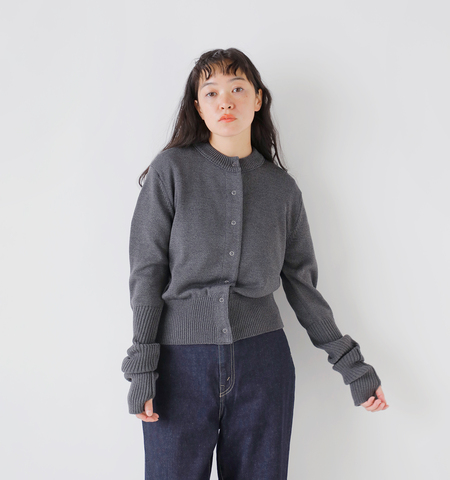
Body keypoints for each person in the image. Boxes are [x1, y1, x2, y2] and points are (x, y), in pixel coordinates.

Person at [121, 47, 389, 480]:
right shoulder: (171, 171)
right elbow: (147, 271)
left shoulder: (282, 190)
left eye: (237, 89)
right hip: (178, 365)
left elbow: (302, 285)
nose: (225, 101)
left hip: (263, 364)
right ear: (198, 107)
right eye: (211, 92)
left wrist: (353, 367)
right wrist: (142, 366)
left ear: (258, 98)